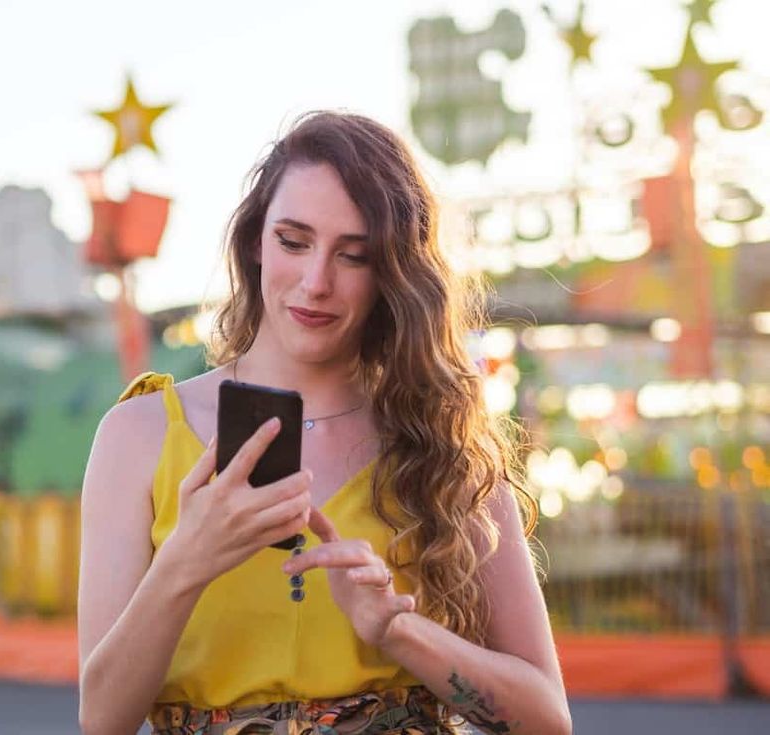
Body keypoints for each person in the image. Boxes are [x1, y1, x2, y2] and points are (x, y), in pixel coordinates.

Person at [77, 111, 571, 735]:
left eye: (354, 255)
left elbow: (546, 722)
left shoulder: (441, 442)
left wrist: (396, 629)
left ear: (392, 272)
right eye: (293, 240)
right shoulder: (141, 434)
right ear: (255, 242)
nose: (316, 283)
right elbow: (101, 722)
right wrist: (185, 563)